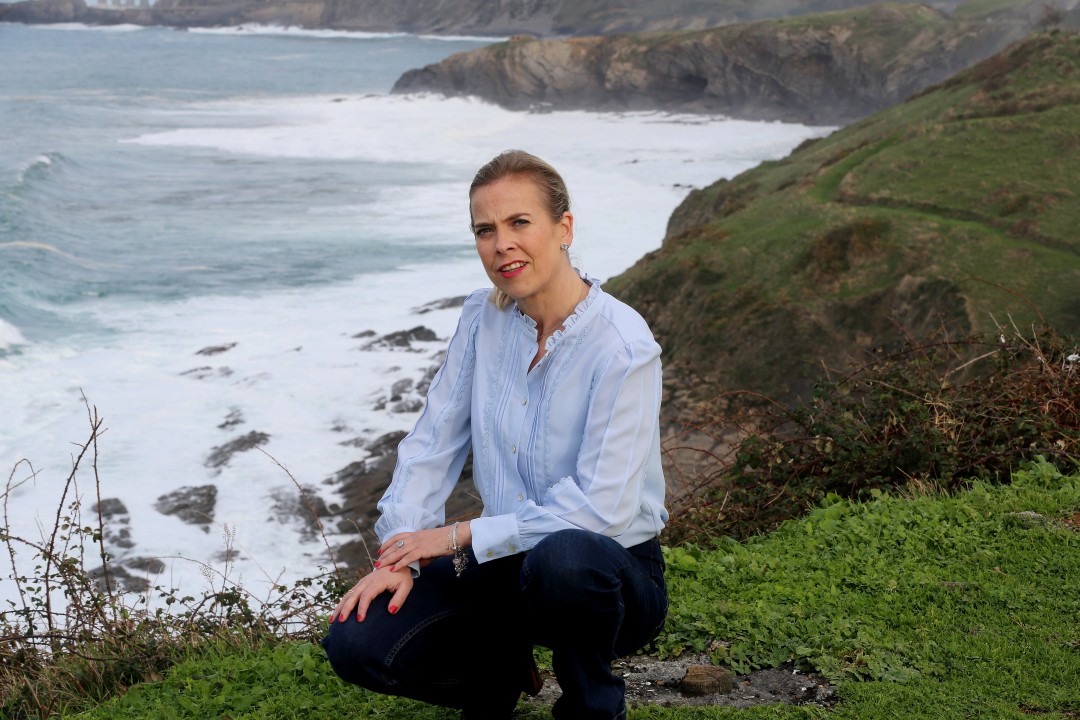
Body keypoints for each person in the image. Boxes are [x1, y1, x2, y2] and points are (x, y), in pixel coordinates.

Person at [321, 149, 669, 720]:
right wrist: (402, 550)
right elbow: (431, 445)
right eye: (485, 230)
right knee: (357, 642)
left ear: (564, 228)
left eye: (519, 222)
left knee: (565, 558)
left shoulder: (623, 346)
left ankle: (592, 707)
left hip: (612, 578)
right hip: (502, 566)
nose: (502, 244)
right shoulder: (481, 318)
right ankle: (498, 673)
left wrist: (457, 535)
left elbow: (602, 512)